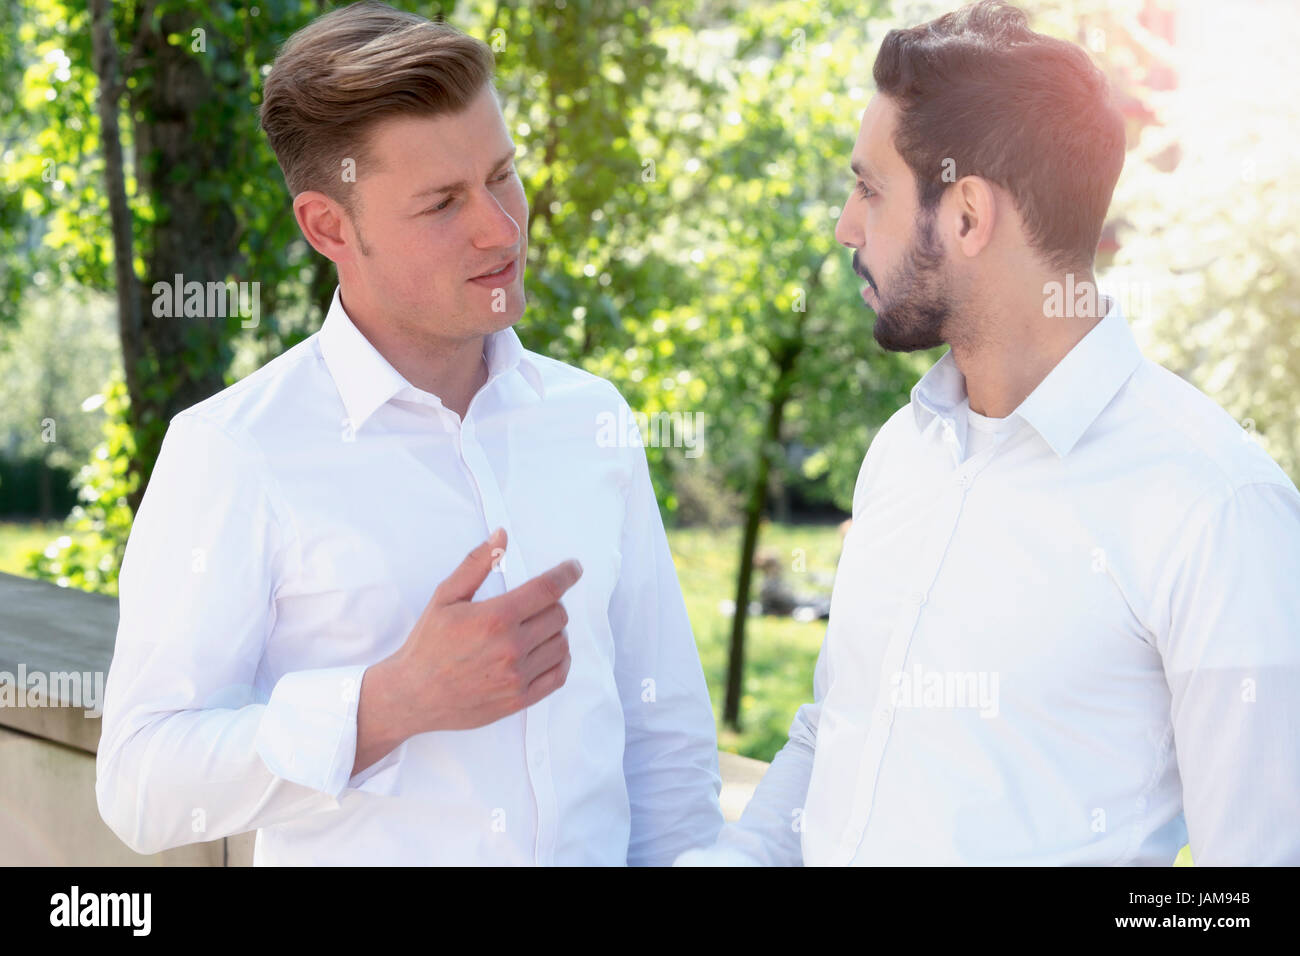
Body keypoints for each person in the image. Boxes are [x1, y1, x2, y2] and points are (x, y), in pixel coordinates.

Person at [95, 0, 723, 866]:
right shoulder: (236, 453)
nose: (500, 229)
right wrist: (388, 703)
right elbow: (138, 784)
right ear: (329, 227)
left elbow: (666, 745)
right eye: (441, 203)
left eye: (503, 174)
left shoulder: (592, 419)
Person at [678, 0, 1300, 866]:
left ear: (967, 215)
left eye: (869, 188)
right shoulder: (903, 451)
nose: (845, 228)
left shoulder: (1218, 509)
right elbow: (837, 736)